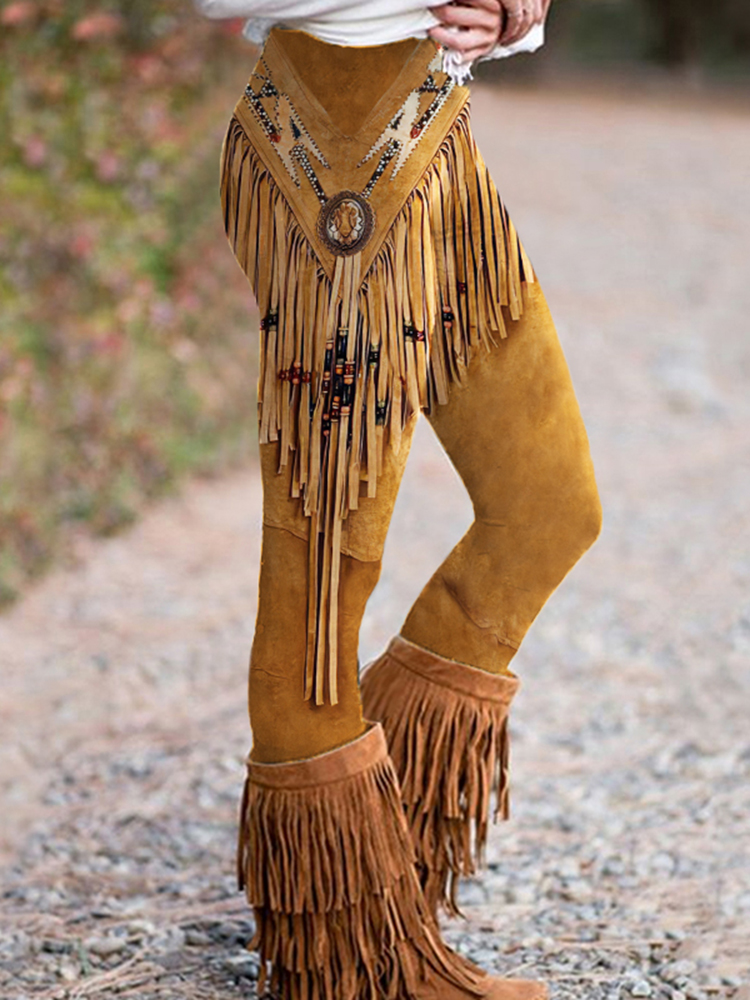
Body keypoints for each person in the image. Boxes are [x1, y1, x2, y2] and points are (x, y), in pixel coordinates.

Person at [193, 2, 602, 999]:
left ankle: (377, 870)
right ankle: (351, 963)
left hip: (430, 126)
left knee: (548, 505)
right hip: (333, 144)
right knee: (320, 590)